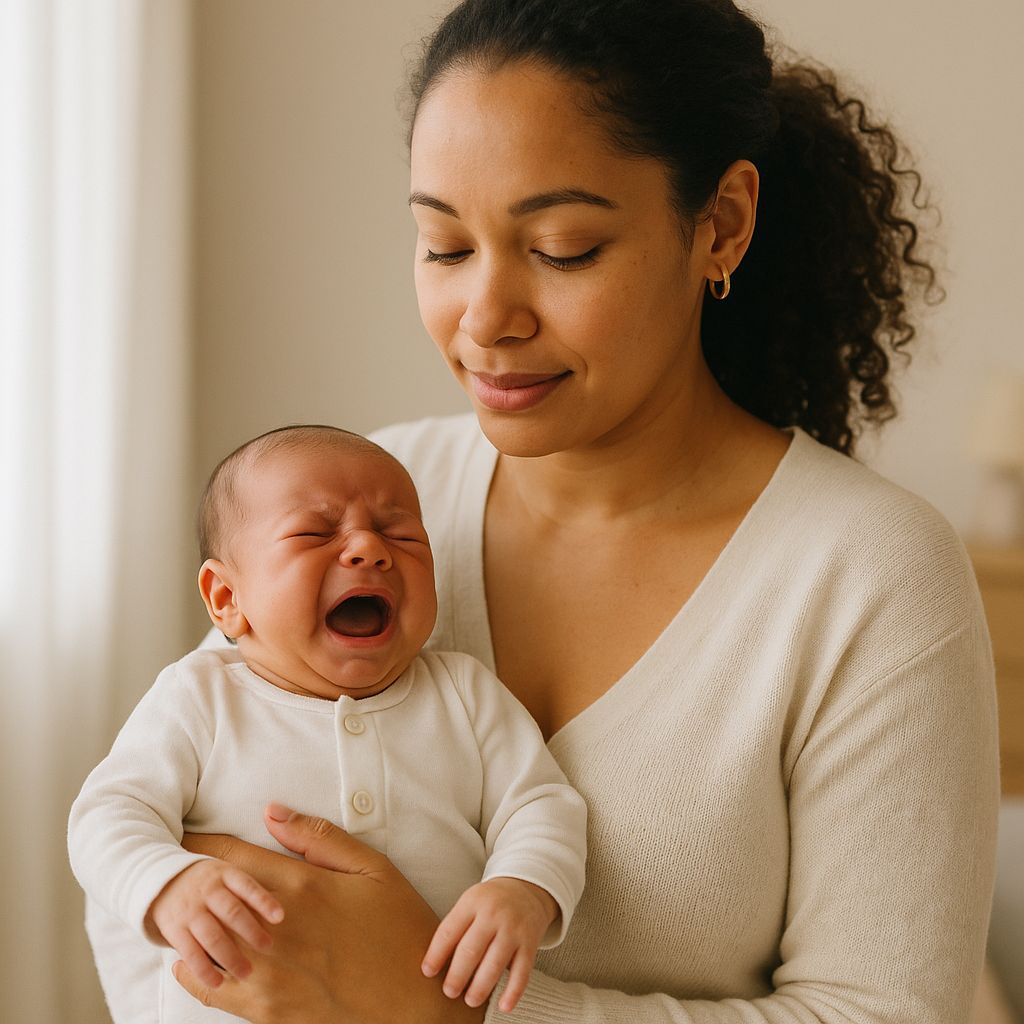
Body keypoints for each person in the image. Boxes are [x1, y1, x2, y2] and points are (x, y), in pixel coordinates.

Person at [163, 0, 999, 1021]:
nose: (484, 319)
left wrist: (441, 1006)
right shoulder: (366, 505)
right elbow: (171, 847)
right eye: (442, 245)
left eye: (561, 249)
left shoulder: (868, 574)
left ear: (720, 223)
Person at [68, 425, 587, 1023]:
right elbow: (108, 813)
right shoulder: (200, 697)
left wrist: (524, 890)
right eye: (314, 533)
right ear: (226, 598)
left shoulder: (464, 695)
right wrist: (165, 883)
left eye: (403, 535)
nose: (370, 549)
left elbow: (542, 806)